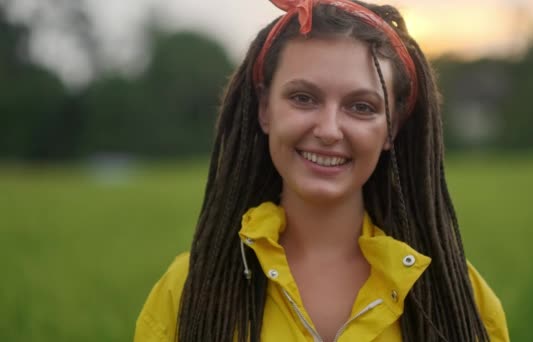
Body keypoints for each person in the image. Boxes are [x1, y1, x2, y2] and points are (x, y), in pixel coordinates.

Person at [134, 0, 509, 341]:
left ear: (391, 128)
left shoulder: (461, 300)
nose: (329, 130)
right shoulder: (185, 293)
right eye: (303, 98)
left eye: (361, 106)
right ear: (265, 109)